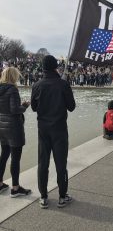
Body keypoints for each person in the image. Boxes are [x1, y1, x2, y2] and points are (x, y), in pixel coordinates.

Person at [31, 55, 76, 209]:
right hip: (59, 129)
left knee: (42, 163)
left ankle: (43, 196)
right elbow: (71, 107)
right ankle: (62, 197)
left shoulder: (36, 85)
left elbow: (34, 108)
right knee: (61, 164)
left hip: (43, 129)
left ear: (42, 68)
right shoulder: (63, 84)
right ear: (56, 66)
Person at [0, 67, 31, 197]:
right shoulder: (12, 89)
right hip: (13, 128)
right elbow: (14, 109)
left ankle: (0, 184)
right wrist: (24, 105)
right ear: (13, 77)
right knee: (15, 158)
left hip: (1, 126)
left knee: (4, 155)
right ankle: (15, 188)